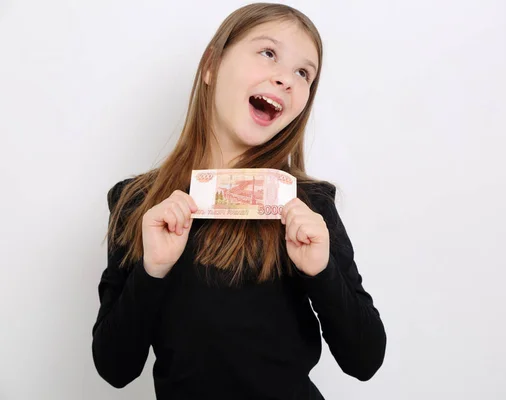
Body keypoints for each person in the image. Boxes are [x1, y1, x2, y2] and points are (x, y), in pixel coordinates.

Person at [92, 3, 386, 399]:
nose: (286, 79)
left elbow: (365, 360)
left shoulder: (310, 206)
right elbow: (115, 368)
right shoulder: (136, 203)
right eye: (268, 53)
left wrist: (322, 272)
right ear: (212, 65)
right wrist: (152, 270)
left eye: (304, 73)